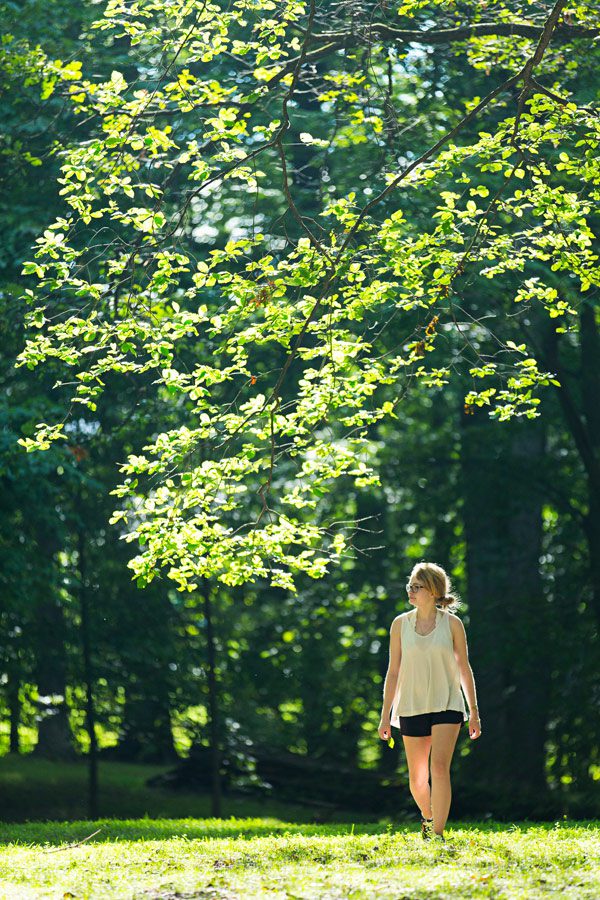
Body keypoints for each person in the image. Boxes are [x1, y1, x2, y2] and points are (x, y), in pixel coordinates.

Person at [378, 562, 481, 844]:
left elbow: (464, 668)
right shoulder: (400, 624)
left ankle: (437, 835)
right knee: (417, 778)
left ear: (434, 590)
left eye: (416, 586)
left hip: (447, 703)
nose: (410, 590)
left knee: (439, 768)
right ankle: (428, 816)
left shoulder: (453, 624)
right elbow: (394, 670)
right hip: (410, 705)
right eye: (409, 585)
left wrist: (474, 712)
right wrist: (385, 715)